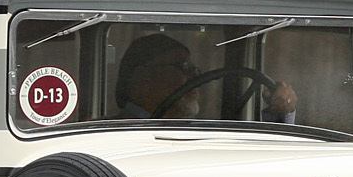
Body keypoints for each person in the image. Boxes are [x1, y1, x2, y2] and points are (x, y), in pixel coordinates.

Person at [114, 31, 297, 122]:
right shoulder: (112, 133)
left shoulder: (191, 132)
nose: (195, 77)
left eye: (195, 69)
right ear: (143, 77)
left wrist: (280, 112)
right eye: (183, 67)